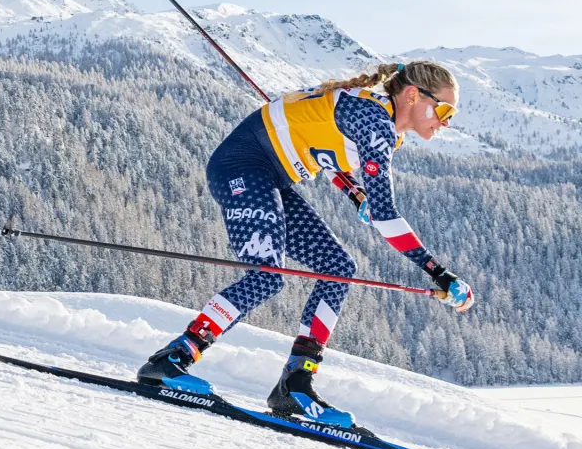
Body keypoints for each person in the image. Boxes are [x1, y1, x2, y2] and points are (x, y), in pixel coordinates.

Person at [137, 62, 474, 428]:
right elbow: (386, 215)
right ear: (413, 95)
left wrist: (354, 193)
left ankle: (295, 385)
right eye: (443, 110)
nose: (445, 121)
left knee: (338, 269)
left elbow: (326, 151)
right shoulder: (374, 121)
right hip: (242, 169)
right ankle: (172, 360)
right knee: (266, 275)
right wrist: (438, 272)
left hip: (271, 177)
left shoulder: (382, 120)